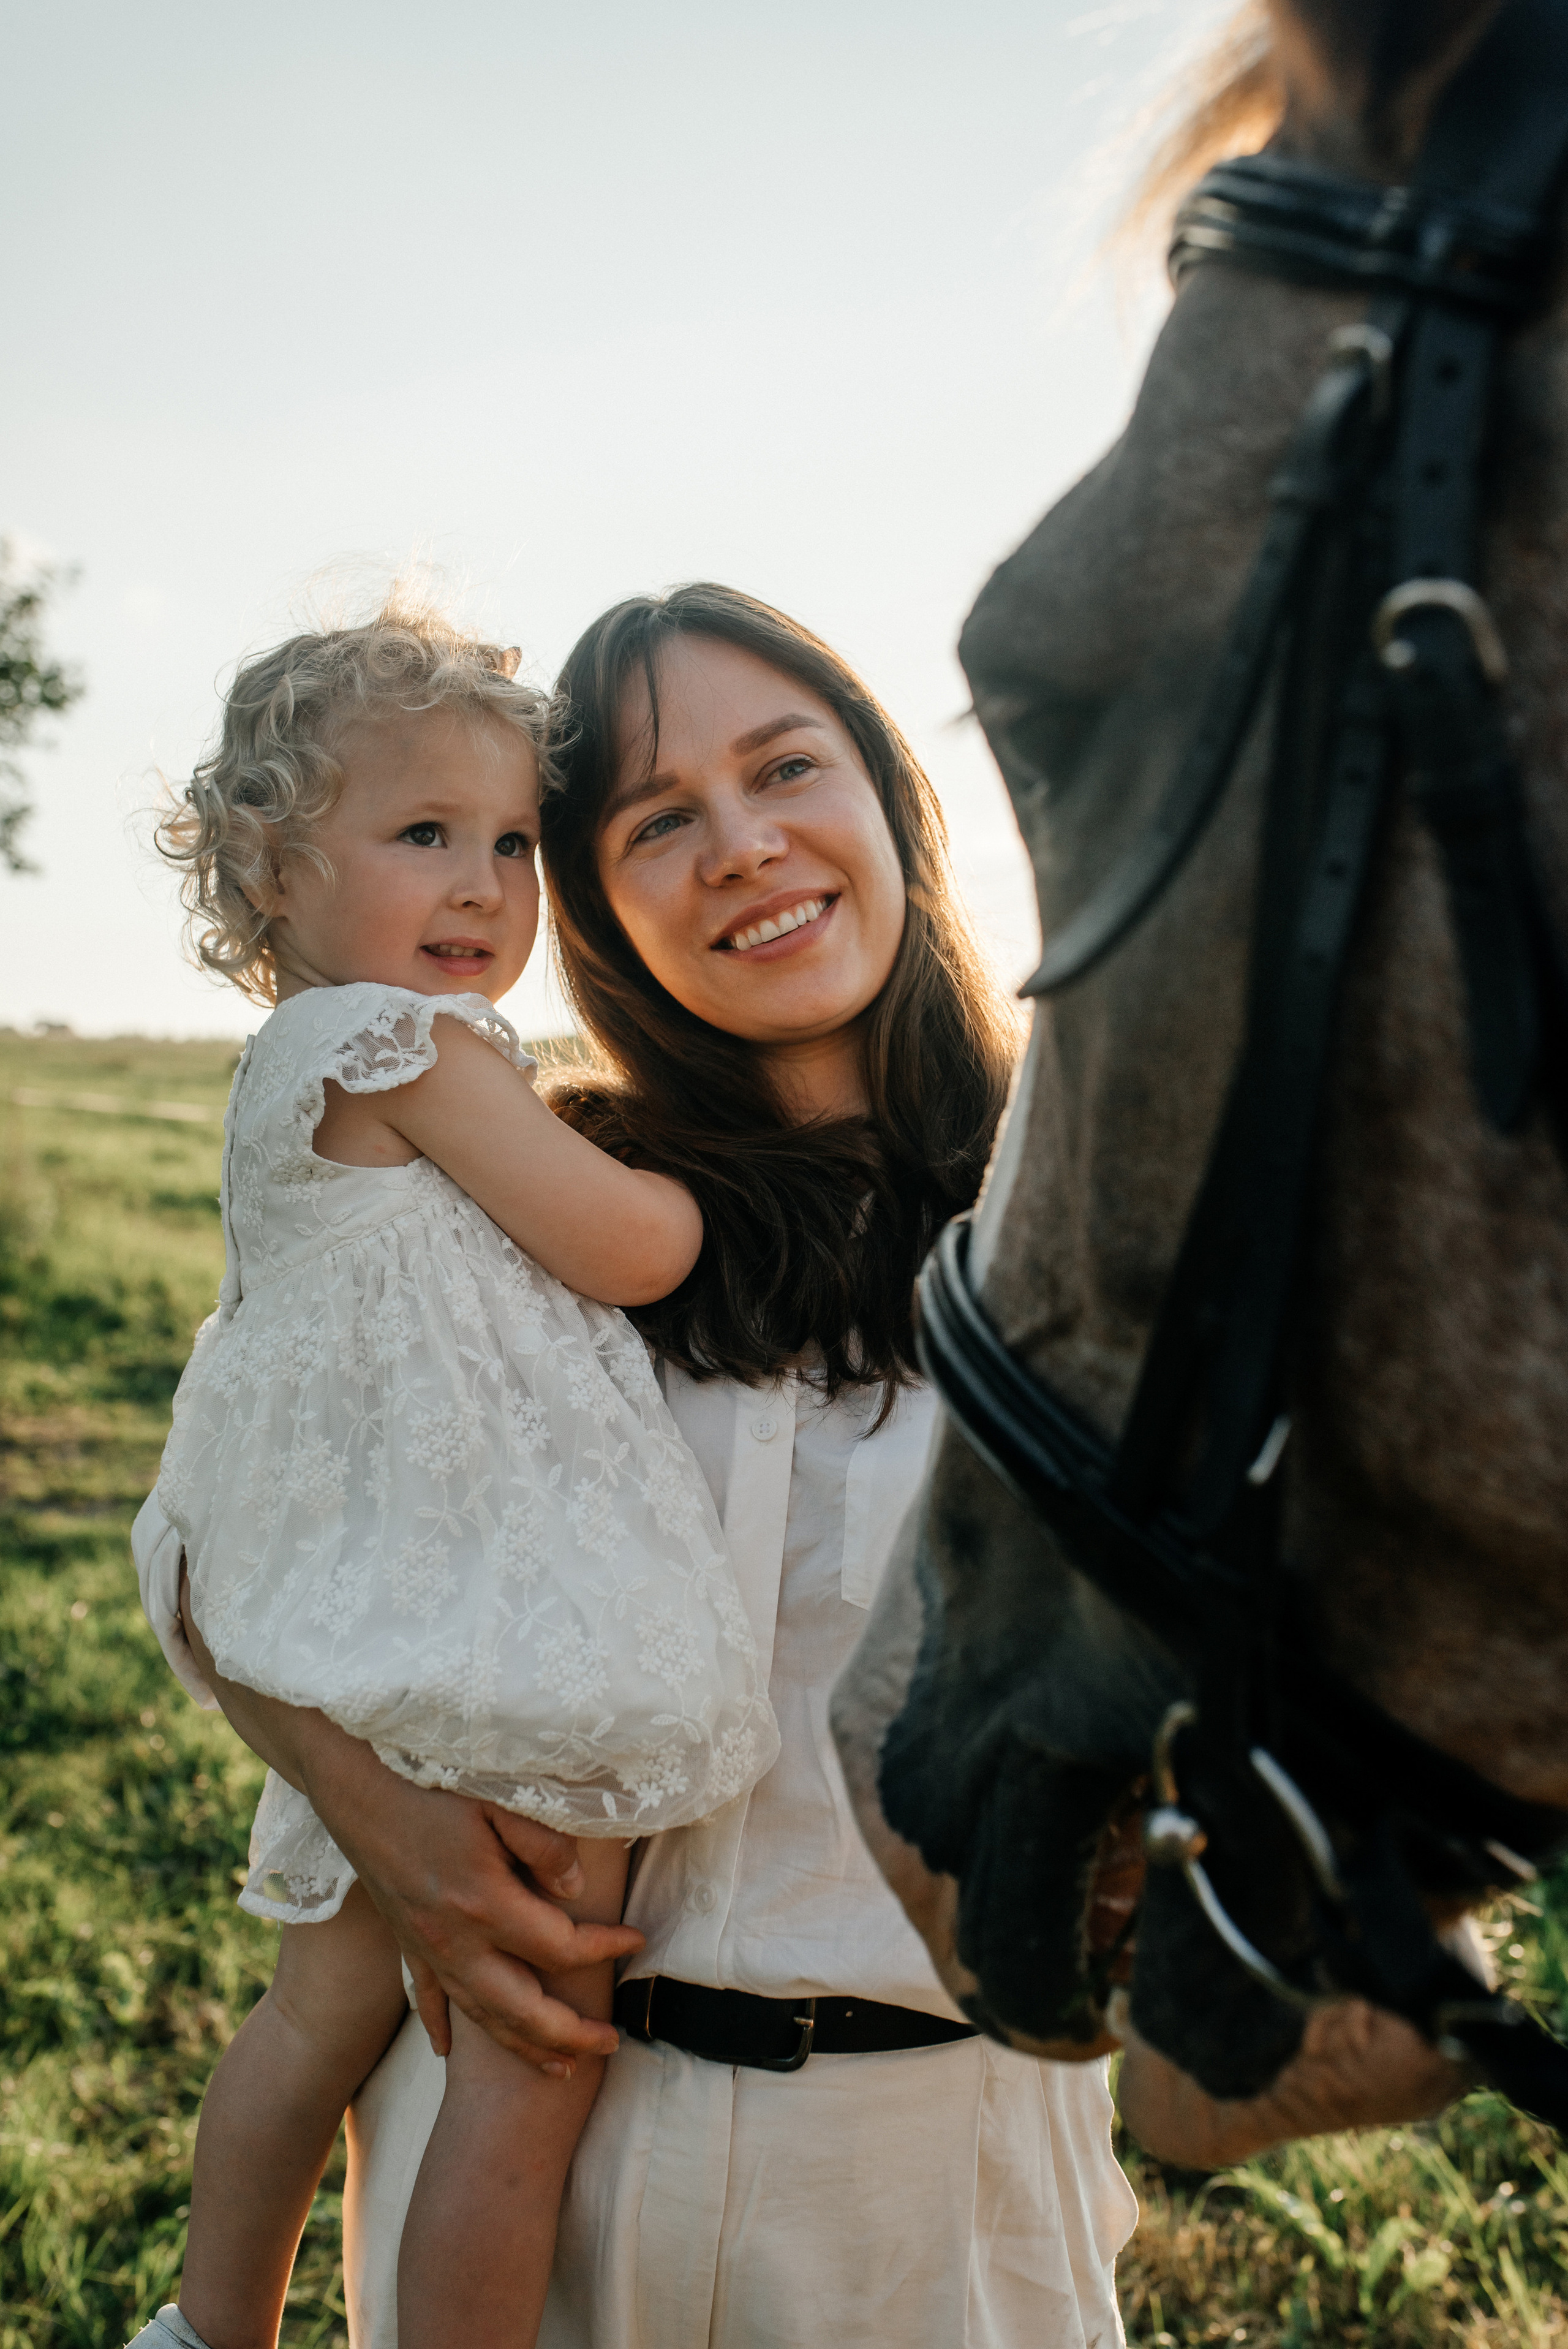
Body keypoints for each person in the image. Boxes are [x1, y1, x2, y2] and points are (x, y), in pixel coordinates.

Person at [141, 583, 1142, 2348]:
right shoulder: (494, 1195)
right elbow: (220, 1529)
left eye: (788, 767)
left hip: (927, 2191)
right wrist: (387, 1825)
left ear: (893, 797)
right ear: (600, 901)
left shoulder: (1092, 1209)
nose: (743, 845)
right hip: (522, 2144)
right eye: (659, 818)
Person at [126, 592, 778, 2349]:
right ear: (271, 870)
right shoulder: (403, 1046)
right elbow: (626, 1247)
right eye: (425, 833)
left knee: (313, 2020)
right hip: (492, 1644)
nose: (487, 885)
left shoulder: (284, 1076)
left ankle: (206, 2328)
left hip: (361, 1635)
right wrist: (701, 1185)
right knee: (530, 2062)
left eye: (511, 842)